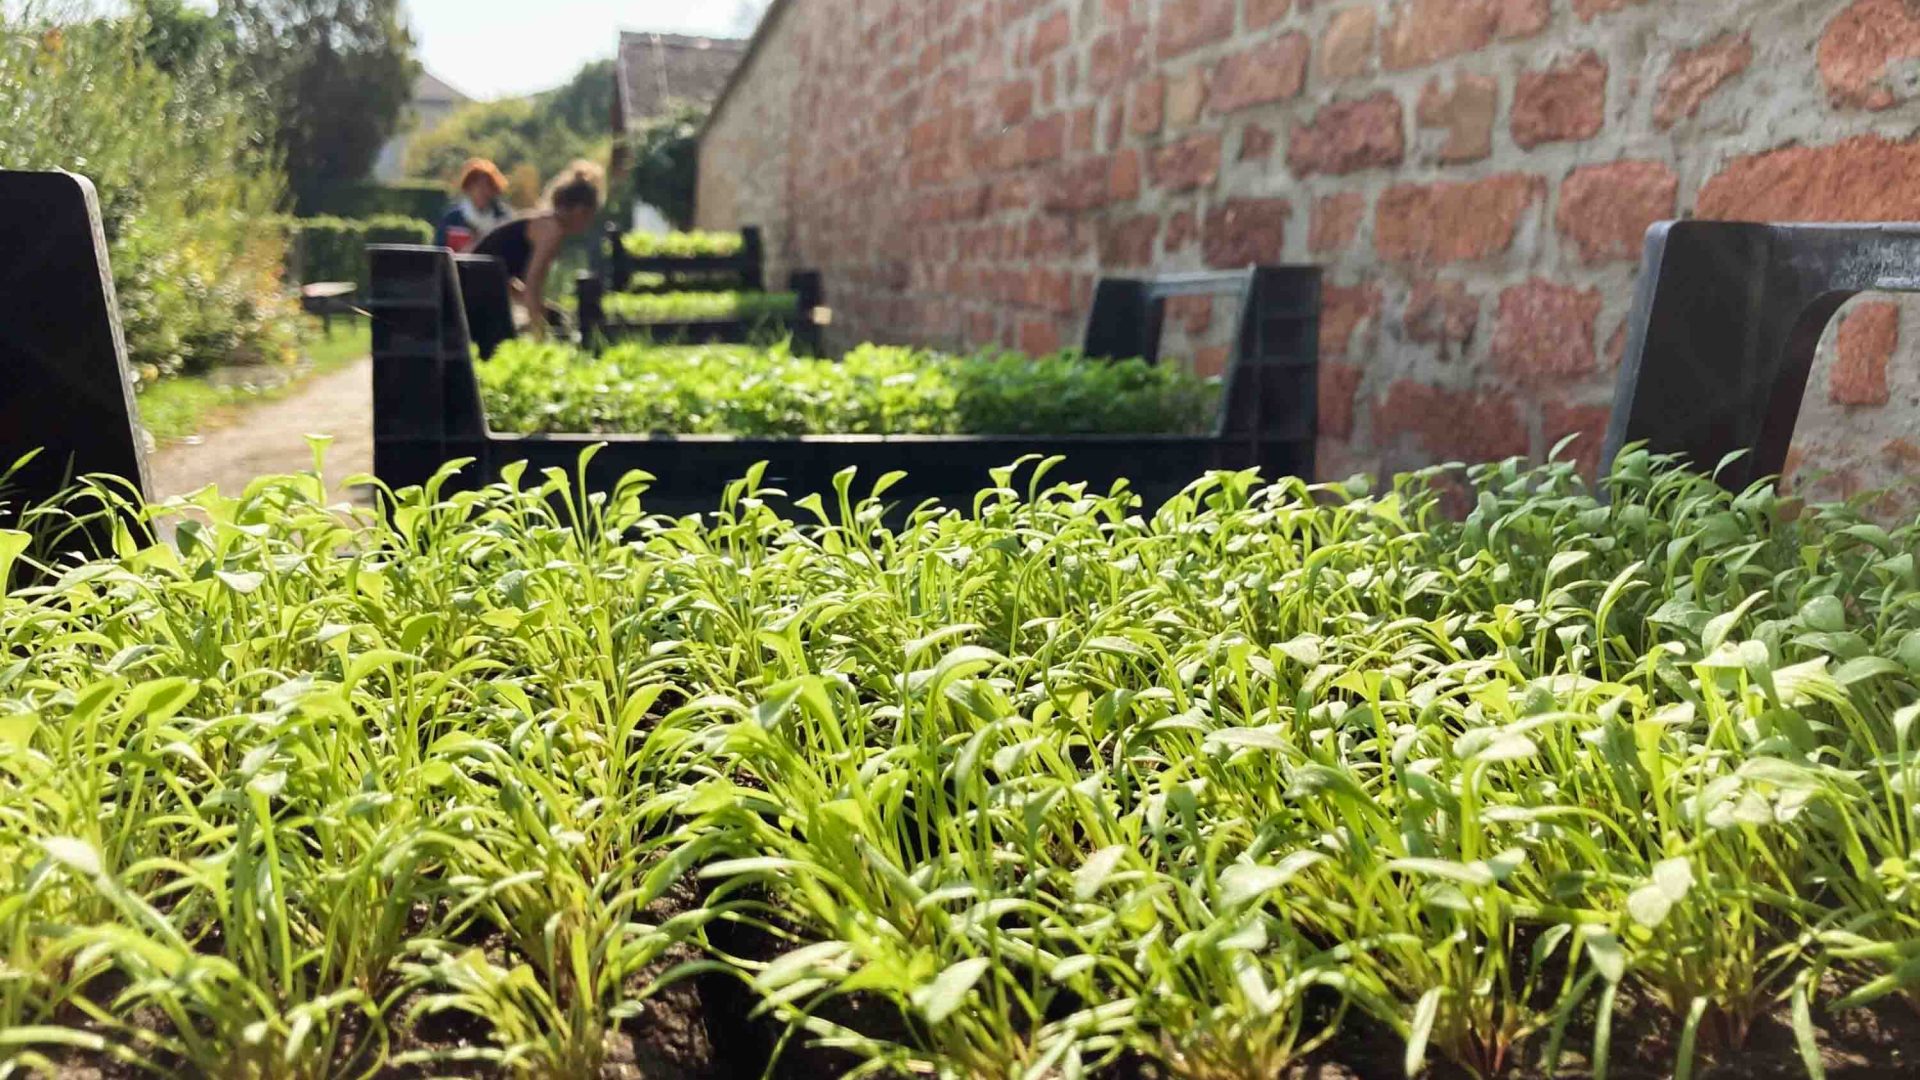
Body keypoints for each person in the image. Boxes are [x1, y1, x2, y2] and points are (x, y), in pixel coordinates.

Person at [472, 160, 603, 340]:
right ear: (580, 211)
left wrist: (541, 309)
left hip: (477, 281)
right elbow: (533, 284)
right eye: (591, 216)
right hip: (472, 288)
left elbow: (504, 276)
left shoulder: (545, 224)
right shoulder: (551, 231)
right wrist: (540, 335)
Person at [433, 158, 513, 253]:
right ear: (468, 188)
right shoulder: (452, 218)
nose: (481, 191)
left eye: (487, 185)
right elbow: (439, 251)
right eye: (476, 185)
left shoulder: (504, 218)